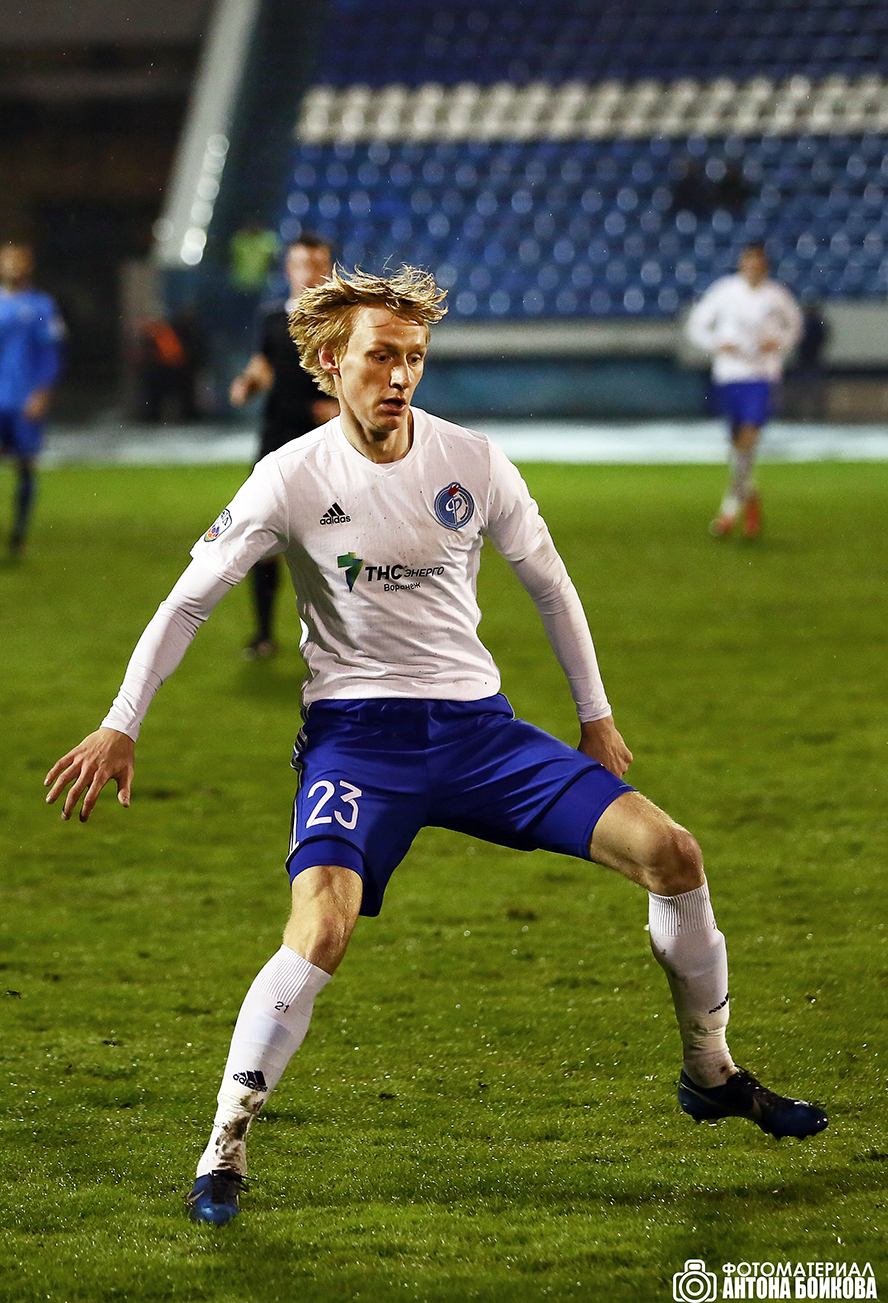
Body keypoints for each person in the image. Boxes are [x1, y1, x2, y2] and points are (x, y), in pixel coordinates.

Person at [45, 264, 828, 1228]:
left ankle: (711, 1072)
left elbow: (550, 584)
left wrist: (595, 715)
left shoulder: (473, 461)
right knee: (321, 926)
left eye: (414, 357)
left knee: (674, 853)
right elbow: (188, 601)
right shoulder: (290, 475)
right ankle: (225, 1144)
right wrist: (121, 720)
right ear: (330, 362)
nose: (401, 375)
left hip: (480, 735)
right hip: (357, 745)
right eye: (382, 356)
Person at [230, 234, 339, 658]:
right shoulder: (275, 320)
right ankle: (263, 634)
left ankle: (342, 638)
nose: (309, 272)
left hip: (326, 445)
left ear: (328, 269)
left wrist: (340, 407)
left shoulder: (341, 319)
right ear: (288, 269)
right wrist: (247, 384)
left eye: (317, 264)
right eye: (300, 264)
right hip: (276, 440)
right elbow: (263, 367)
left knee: (336, 539)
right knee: (263, 535)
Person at [686, 244, 802, 539]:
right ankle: (750, 499)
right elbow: (696, 326)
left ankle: (728, 511)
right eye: (747, 264)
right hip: (730, 375)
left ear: (765, 268)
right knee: (738, 446)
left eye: (757, 265)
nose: (752, 270)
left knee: (749, 438)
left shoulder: (776, 296)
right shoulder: (724, 291)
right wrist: (717, 343)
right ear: (741, 266)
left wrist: (778, 342)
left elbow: (794, 327)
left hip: (761, 375)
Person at [0, 241, 65, 557]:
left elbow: (50, 353)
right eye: (7, 259)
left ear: (28, 265)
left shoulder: (41, 306)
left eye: (18, 260)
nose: (12, 265)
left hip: (23, 399)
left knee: (25, 465)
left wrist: (41, 392)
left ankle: (18, 536)